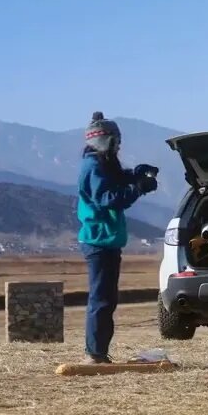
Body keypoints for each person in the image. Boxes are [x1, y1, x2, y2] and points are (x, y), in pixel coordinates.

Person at [77, 112, 159, 363]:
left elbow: (117, 179)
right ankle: (95, 354)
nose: (119, 145)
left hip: (108, 240)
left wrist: (136, 175)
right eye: (116, 140)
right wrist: (136, 188)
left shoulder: (102, 164)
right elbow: (108, 199)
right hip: (99, 241)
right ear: (106, 140)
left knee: (106, 298)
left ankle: (99, 352)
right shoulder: (94, 167)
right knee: (101, 298)